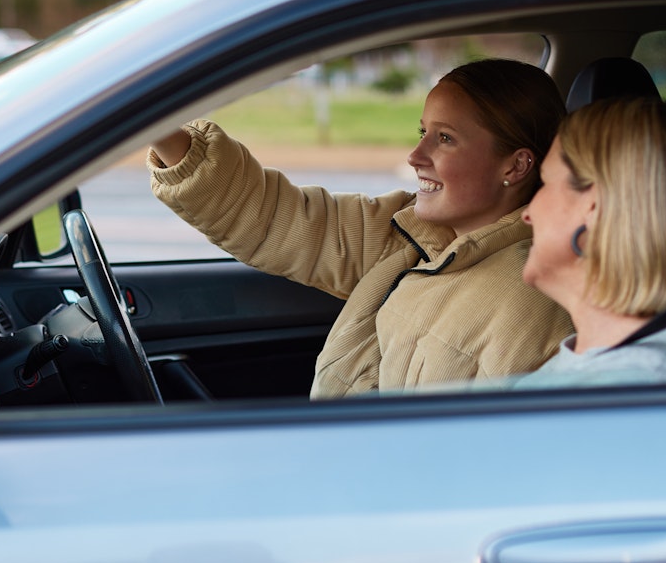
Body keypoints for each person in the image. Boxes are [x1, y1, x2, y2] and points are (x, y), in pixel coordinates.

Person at [147, 58, 574, 399]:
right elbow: (273, 217)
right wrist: (156, 122)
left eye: (445, 139)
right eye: (423, 132)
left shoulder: (536, 301)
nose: (415, 155)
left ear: (515, 165)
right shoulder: (409, 235)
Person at [511, 96, 666, 388]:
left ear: (594, 207)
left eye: (545, 183)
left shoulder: (639, 387)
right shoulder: (613, 368)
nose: (527, 214)